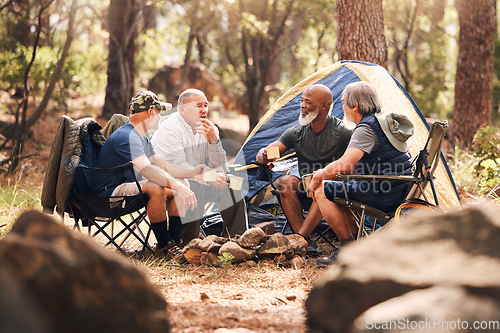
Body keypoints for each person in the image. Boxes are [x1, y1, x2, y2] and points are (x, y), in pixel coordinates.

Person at [307, 81, 414, 265]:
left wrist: (318, 175)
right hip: (398, 188)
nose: (342, 107)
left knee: (322, 189)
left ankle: (349, 252)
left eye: (342, 102)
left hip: (384, 193)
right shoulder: (383, 120)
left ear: (354, 105)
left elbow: (345, 165)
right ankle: (360, 246)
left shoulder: (366, 128)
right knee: (339, 189)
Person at [93, 90, 203, 257]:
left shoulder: (142, 138)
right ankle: (164, 246)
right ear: (151, 112)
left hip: (126, 190)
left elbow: (161, 165)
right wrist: (177, 186)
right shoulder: (127, 136)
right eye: (159, 113)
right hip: (108, 195)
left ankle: (174, 243)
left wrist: (191, 173)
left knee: (182, 184)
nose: (160, 118)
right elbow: (147, 170)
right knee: (156, 188)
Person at [255, 84, 352, 254]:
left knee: (322, 184)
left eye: (308, 102)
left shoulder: (341, 131)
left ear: (324, 106)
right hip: (306, 186)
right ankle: (304, 241)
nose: (302, 106)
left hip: (332, 188)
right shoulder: (296, 133)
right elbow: (269, 153)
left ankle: (298, 237)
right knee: (285, 182)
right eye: (301, 101)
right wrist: (263, 154)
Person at [151, 88, 248, 242]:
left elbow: (222, 168)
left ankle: (235, 241)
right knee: (193, 187)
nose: (204, 110)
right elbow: (180, 168)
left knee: (232, 184)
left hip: (200, 179)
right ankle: (189, 243)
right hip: (172, 183)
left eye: (206, 105)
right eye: (198, 106)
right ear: (182, 109)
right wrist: (210, 177)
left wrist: (213, 141)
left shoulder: (210, 128)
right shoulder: (170, 129)